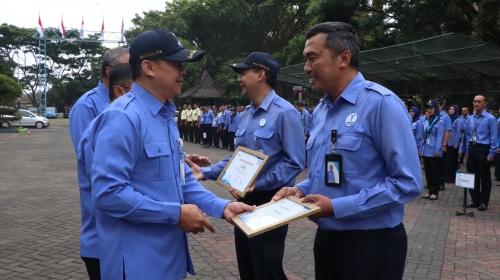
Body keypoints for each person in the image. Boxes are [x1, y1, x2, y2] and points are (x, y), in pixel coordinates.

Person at [89, 28, 255, 279]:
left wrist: (224, 207)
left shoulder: (165, 116)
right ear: (149, 67)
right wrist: (175, 213)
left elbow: (183, 180)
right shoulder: (123, 117)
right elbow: (108, 193)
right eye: (176, 63)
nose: (183, 71)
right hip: (137, 263)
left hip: (169, 259)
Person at [273, 22, 422, 279]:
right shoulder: (321, 110)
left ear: (344, 58)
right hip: (327, 243)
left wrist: (338, 207)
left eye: (312, 58)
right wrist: (301, 189)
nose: (306, 68)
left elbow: (407, 182)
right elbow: (327, 172)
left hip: (371, 247)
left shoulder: (381, 104)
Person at [191, 52, 305, 280]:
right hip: (244, 200)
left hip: (272, 201)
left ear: (261, 74)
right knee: (247, 265)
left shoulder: (285, 113)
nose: (239, 79)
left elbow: (296, 163)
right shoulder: (245, 115)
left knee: (267, 269)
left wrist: (259, 184)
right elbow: (237, 158)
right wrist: (205, 173)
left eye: (243, 73)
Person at [68, 47, 129, 277]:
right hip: (102, 227)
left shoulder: (130, 102)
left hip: (128, 227)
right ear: (109, 71)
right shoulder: (88, 106)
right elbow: (96, 166)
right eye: (127, 65)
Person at [69, 47, 129, 154]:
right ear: (109, 72)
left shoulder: (132, 100)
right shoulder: (86, 105)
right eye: (127, 68)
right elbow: (87, 155)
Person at [459, 94, 498, 211]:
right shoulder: (470, 118)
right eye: (475, 101)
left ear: (485, 103)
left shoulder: (490, 118)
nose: (476, 104)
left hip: (483, 148)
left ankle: (483, 201)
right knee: (471, 175)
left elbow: (494, 137)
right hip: (472, 148)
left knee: (484, 176)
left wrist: (491, 153)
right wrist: (465, 150)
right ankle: (475, 199)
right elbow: (466, 135)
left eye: (479, 101)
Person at [419, 100, 445, 200]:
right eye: (428, 108)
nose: (429, 110)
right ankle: (429, 190)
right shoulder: (426, 121)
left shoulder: (440, 121)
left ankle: (435, 192)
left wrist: (438, 150)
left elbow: (440, 138)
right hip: (426, 149)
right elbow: (423, 136)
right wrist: (421, 148)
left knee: (435, 172)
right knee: (428, 172)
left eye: (431, 108)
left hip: (434, 150)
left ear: (436, 108)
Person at [437, 99, 452, 190]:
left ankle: (441, 182)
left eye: (438, 105)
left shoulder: (445, 117)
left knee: (442, 164)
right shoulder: (432, 116)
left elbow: (448, 131)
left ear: (441, 106)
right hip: (433, 144)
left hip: (442, 143)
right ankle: (434, 182)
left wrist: (444, 144)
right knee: (434, 165)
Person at [445, 104, 461, 183]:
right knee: (447, 161)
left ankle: (452, 177)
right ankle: (446, 176)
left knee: (452, 161)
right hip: (446, 143)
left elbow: (458, 133)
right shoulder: (447, 119)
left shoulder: (458, 120)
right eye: (450, 109)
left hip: (453, 143)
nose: (451, 111)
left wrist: (456, 143)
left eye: (453, 109)